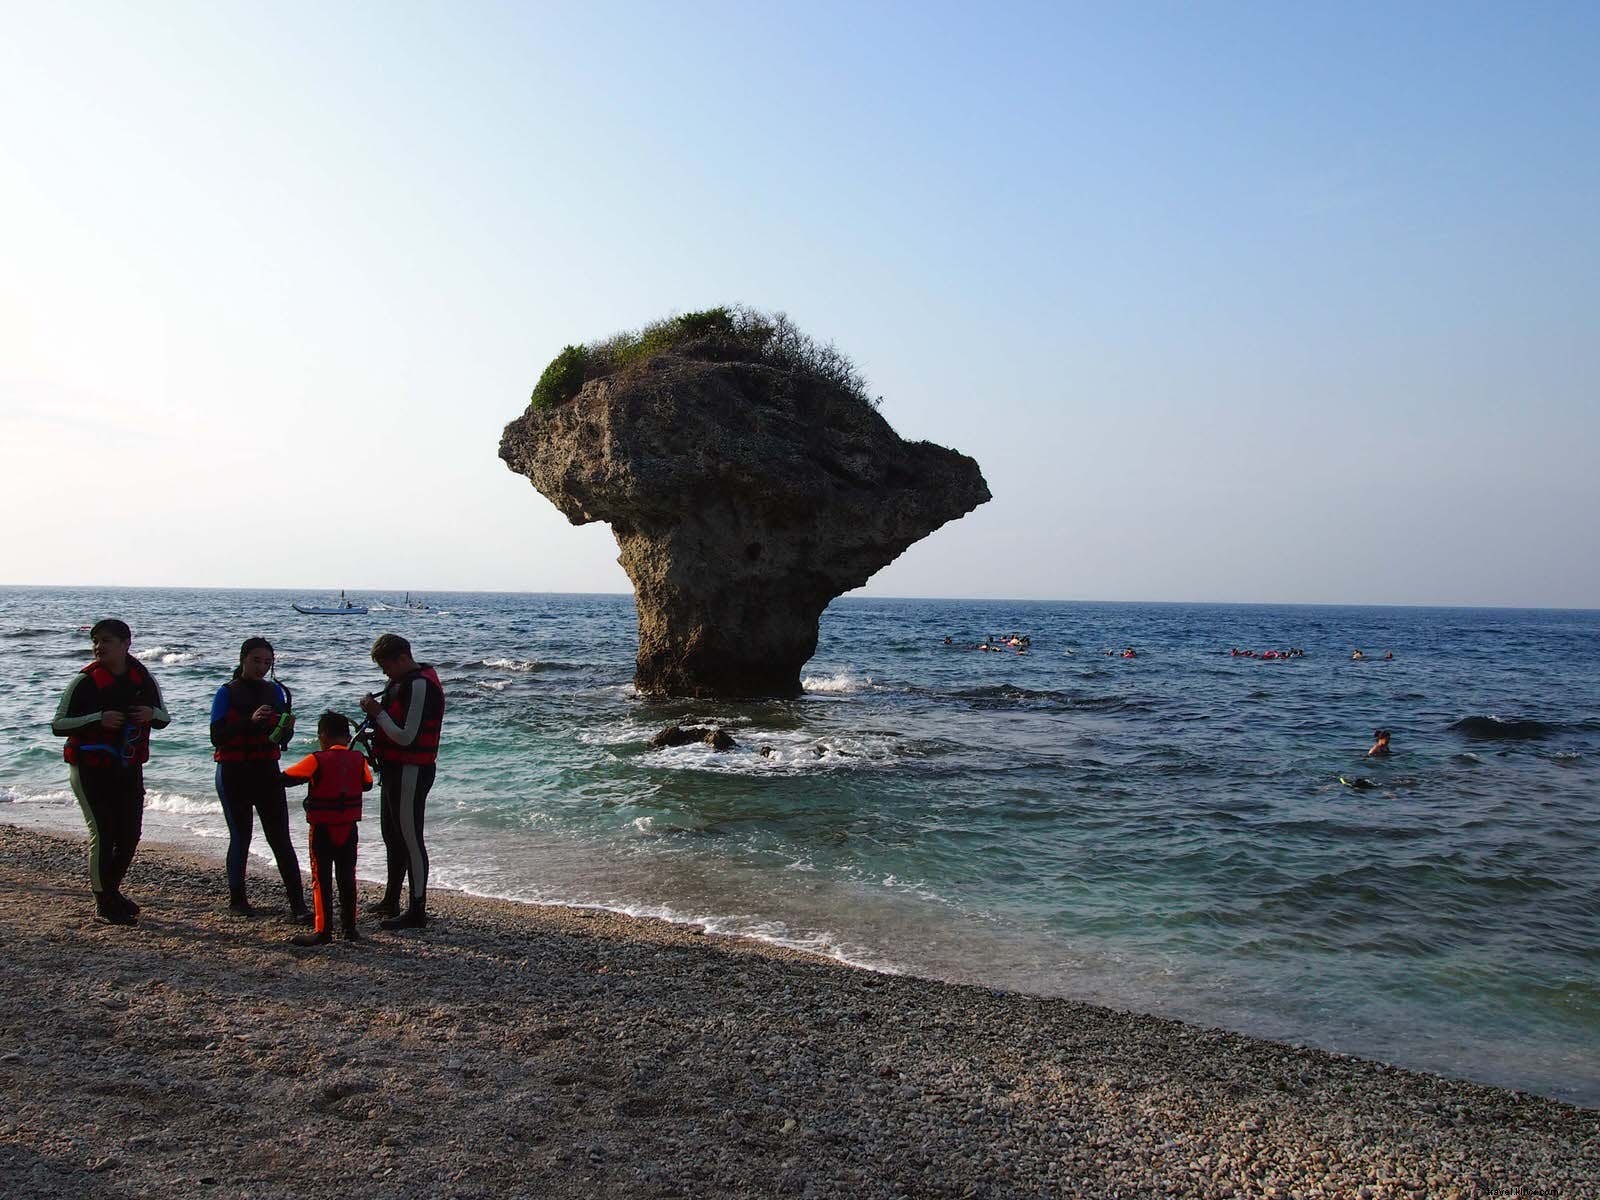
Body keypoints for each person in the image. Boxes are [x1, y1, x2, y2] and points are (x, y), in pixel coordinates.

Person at [50, 619, 170, 924]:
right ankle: (103, 902)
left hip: (127, 768)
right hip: (89, 768)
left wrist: (150, 713)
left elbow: (164, 718)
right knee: (102, 833)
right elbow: (58, 725)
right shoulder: (85, 681)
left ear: (125, 643)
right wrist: (98, 719)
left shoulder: (142, 677)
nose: (98, 647)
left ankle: (111, 892)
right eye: (95, 641)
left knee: (130, 834)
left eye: (106, 640)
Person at [211, 637, 311, 922]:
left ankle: (298, 905)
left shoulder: (276, 693)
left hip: (266, 771)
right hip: (233, 772)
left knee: (280, 838)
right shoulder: (227, 692)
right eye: (257, 660)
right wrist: (250, 721)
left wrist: (287, 729)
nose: (262, 667)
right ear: (243, 659)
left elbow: (280, 740)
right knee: (240, 836)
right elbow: (216, 737)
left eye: (267, 662)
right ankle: (238, 900)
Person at [360, 633, 445, 930]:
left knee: (410, 838)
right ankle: (391, 899)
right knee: (391, 835)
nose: (384, 673)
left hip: (413, 769)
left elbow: (407, 737)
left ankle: (417, 909)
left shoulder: (421, 684)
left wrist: (378, 713)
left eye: (386, 666)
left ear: (402, 659)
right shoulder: (399, 683)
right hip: (393, 769)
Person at [281, 711, 373, 946]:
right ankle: (350, 929)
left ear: (322, 735)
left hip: (322, 829)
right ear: (347, 735)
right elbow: (368, 784)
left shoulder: (316, 759)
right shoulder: (358, 759)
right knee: (347, 878)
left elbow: (287, 778)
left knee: (321, 880)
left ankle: (323, 930)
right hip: (349, 829)